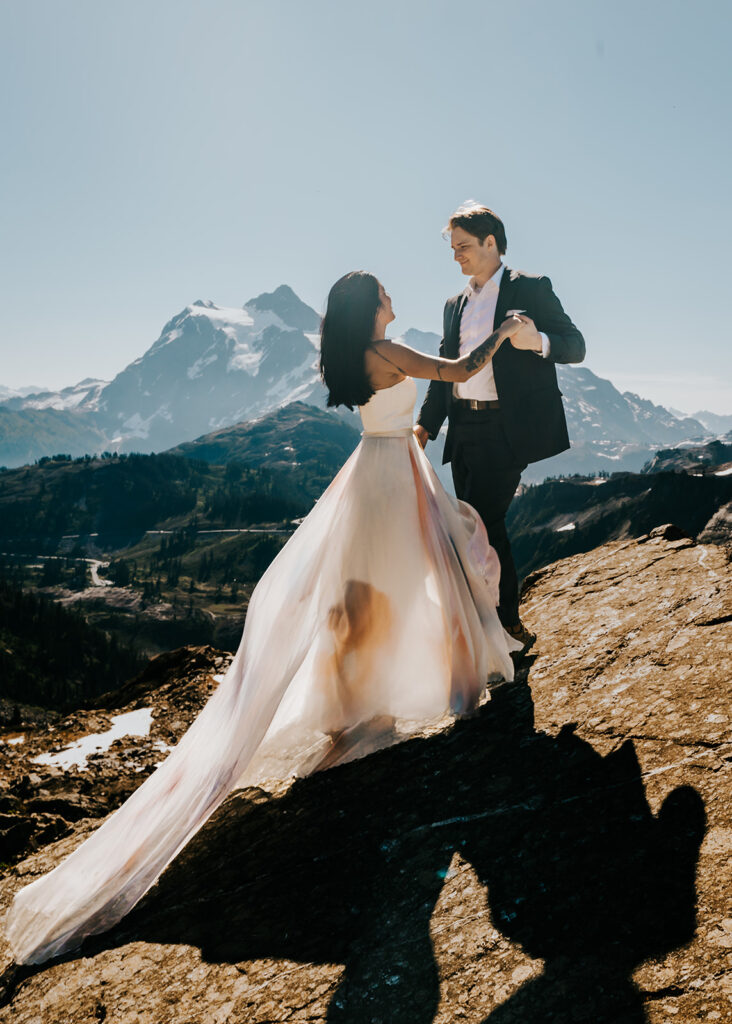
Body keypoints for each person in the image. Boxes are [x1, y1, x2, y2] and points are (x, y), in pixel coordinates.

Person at [3, 271, 521, 967]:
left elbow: (403, 409)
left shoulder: (351, 359)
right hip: (395, 476)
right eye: (387, 298)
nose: (396, 304)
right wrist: (506, 331)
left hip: (374, 471)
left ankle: (363, 704)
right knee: (442, 569)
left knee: (367, 599)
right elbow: (461, 369)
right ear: (370, 311)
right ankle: (457, 688)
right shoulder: (390, 352)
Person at [415, 203, 586, 651]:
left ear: (492, 243)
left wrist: (537, 342)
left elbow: (576, 346)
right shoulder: (454, 305)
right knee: (473, 526)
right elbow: (444, 371)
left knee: (483, 524)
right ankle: (489, 622)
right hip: (463, 428)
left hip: (507, 429)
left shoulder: (530, 288)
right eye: (452, 249)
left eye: (464, 247)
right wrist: (424, 427)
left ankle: (506, 626)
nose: (457, 257)